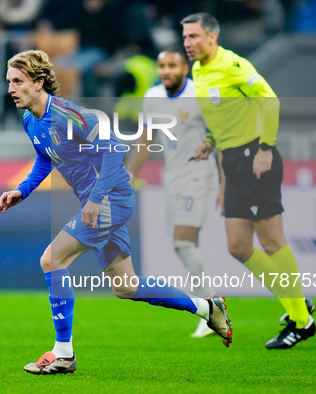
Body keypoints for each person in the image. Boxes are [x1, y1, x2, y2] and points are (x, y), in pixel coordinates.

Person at [0, 50, 232, 375]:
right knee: (126, 287)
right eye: (8, 81)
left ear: (38, 83)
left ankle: (63, 353)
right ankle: (207, 307)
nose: (10, 88)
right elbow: (45, 158)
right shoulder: (30, 120)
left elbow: (113, 151)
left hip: (111, 199)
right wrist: (22, 190)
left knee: (52, 259)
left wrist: (95, 200)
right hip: (98, 203)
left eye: (18, 81)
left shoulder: (71, 116)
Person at [182, 12, 316, 349]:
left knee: (272, 240)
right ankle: (296, 302)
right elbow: (219, 117)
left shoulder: (234, 65)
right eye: (185, 37)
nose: (188, 43)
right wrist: (210, 143)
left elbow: (269, 100)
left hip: (256, 158)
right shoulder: (198, 71)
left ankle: (301, 320)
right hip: (232, 161)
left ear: (213, 36)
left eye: (194, 37)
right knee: (238, 246)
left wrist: (266, 147)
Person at [125, 48, 219, 338]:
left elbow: (219, 136)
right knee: (184, 244)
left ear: (185, 69)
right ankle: (210, 308)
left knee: (183, 243)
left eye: (172, 65)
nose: (166, 70)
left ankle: (211, 311)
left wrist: (227, 184)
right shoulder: (153, 97)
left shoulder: (200, 94)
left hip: (199, 175)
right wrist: (128, 175)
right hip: (173, 178)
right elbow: (146, 139)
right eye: (162, 65)